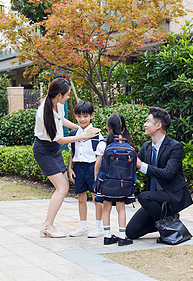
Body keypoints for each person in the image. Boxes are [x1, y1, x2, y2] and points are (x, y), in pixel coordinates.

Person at [33, 78, 100, 238]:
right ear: (58, 95)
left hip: (53, 149)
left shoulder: (58, 105)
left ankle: (48, 224)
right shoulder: (45, 112)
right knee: (62, 188)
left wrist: (81, 128)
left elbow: (61, 121)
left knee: (63, 187)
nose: (69, 97)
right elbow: (61, 140)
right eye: (67, 95)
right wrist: (83, 135)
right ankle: (48, 226)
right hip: (44, 150)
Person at [126, 107, 193, 240]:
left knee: (144, 197)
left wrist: (141, 165)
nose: (145, 125)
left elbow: (168, 173)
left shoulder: (175, 147)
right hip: (155, 200)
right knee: (131, 232)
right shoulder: (146, 147)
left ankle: (167, 225)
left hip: (172, 196)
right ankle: (169, 221)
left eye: (147, 121)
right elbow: (134, 166)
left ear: (158, 125)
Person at [94, 113, 135, 246]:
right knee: (121, 208)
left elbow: (97, 165)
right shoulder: (129, 145)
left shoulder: (103, 144)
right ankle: (122, 237)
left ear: (107, 128)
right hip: (123, 184)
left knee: (106, 207)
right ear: (123, 128)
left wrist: (96, 181)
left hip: (106, 183)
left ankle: (107, 236)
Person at [67, 101, 104, 238]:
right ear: (75, 116)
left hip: (92, 167)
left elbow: (100, 155)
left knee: (96, 198)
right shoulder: (74, 134)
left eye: (85, 116)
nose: (82, 119)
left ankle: (98, 227)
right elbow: (72, 152)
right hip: (78, 168)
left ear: (92, 116)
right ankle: (83, 227)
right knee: (81, 198)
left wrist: (97, 173)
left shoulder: (97, 134)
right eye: (79, 116)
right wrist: (70, 168)